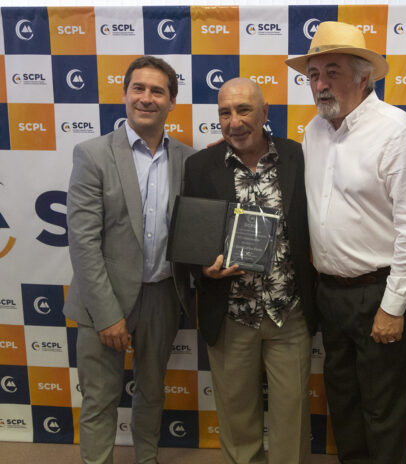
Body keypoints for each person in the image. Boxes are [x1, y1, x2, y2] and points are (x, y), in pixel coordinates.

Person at [286, 21, 406, 464]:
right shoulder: (314, 131)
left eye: (332, 72)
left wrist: (394, 306)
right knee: (344, 404)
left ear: (364, 76)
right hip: (331, 294)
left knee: (385, 410)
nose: (320, 84)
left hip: (381, 294)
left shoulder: (397, 132)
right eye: (314, 75)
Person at [64, 55, 195, 464]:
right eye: (138, 88)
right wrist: (107, 315)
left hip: (162, 296)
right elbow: (83, 242)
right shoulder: (92, 154)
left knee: (152, 394)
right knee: (100, 399)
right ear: (124, 94)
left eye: (157, 91)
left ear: (172, 101)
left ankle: (147, 458)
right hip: (103, 299)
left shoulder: (188, 159)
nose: (146, 98)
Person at [183, 78, 318, 464]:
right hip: (231, 316)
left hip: (288, 313)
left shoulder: (297, 156)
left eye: (244, 110)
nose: (235, 121)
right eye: (225, 113)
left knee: (292, 419)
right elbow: (190, 238)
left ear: (264, 113)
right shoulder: (200, 166)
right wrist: (204, 269)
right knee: (237, 419)